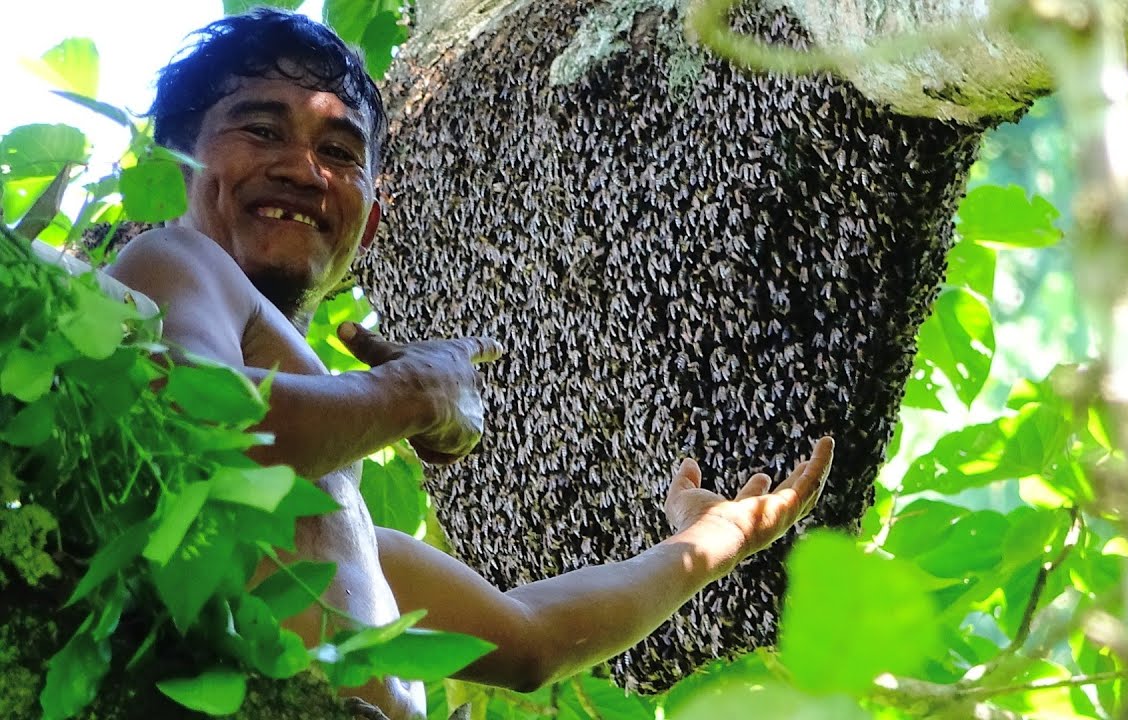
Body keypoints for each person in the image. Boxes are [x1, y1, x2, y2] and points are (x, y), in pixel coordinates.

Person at [106, 9, 834, 719]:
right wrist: (414, 393)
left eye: (340, 152)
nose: (303, 169)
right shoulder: (172, 259)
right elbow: (196, 426)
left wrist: (711, 538)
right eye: (261, 130)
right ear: (177, 168)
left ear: (370, 219)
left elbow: (531, 638)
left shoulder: (329, 529)